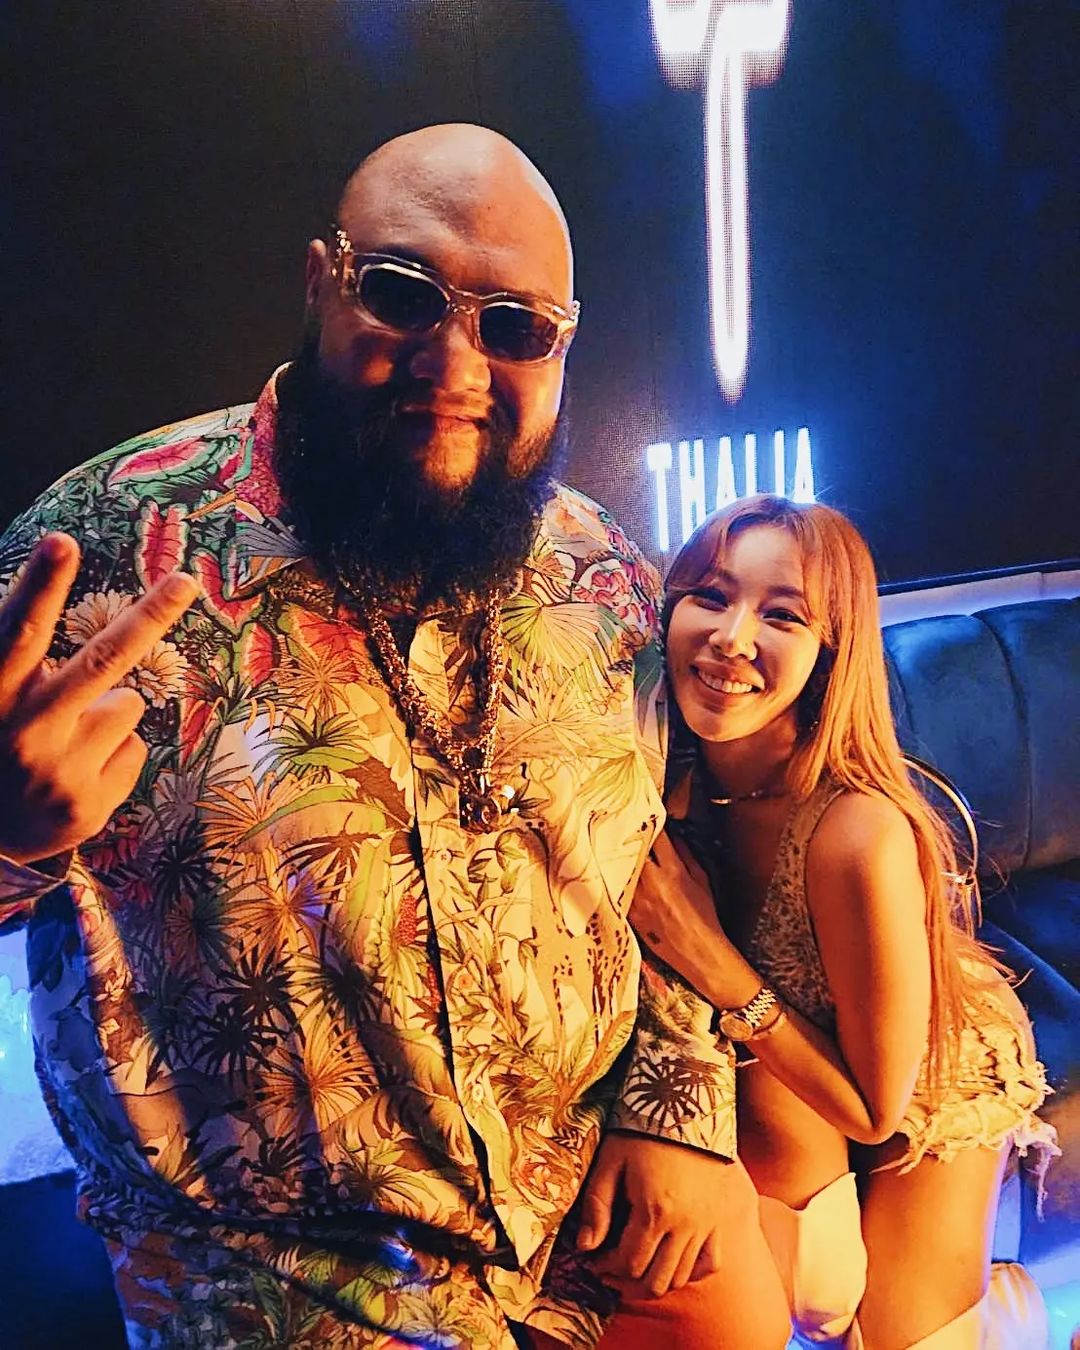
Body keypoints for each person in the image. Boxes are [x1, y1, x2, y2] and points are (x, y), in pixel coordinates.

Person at [0, 125, 742, 1349]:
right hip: (276, 1277)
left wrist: (679, 1104)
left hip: (593, 1227)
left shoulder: (604, 571)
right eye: (402, 294)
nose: (454, 363)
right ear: (320, 282)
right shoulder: (105, 548)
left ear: (562, 347)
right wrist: (8, 839)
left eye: (515, 327)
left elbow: (655, 872)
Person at [609, 495, 1057, 1349]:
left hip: (928, 1076)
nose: (732, 637)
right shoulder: (663, 769)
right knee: (816, 1300)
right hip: (792, 1038)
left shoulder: (857, 832)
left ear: (830, 651)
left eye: (781, 615)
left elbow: (874, 1108)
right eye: (710, 596)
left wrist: (709, 956)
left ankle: (1010, 1313)